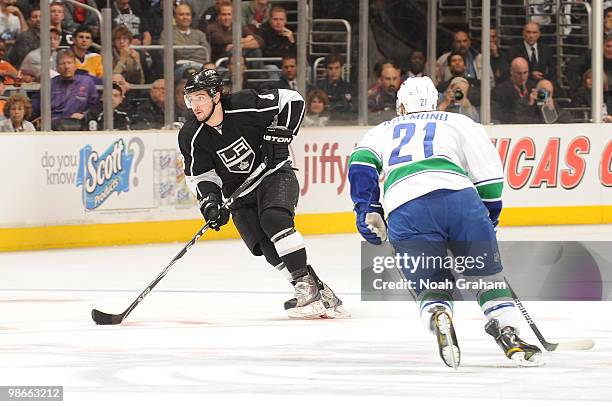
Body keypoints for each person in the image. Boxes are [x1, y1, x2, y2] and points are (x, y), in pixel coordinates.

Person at [348, 75, 543, 368]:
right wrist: (489, 216)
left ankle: (438, 311)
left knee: (430, 280)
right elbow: (489, 174)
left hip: (405, 205)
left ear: (401, 106)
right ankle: (508, 330)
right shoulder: (459, 122)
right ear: (436, 102)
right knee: (486, 276)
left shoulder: (382, 129)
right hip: (460, 200)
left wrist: (367, 207)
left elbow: (360, 163)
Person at [178, 68, 349, 319]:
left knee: (274, 219)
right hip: (238, 192)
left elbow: (293, 100)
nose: (195, 105)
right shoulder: (191, 134)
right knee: (264, 246)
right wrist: (210, 201)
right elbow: (200, 175)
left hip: (274, 174)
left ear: (216, 96)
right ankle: (318, 292)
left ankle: (307, 289)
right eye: (190, 99)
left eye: (200, 97)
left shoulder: (245, 104)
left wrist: (281, 135)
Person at [30, 49, 99, 130]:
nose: (66, 67)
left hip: (78, 125)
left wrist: (84, 114)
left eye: (69, 63)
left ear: (75, 65)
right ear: (57, 67)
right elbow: (35, 108)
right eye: (62, 63)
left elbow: (96, 106)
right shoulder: (49, 84)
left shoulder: (87, 82)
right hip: (52, 126)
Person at [491, 57, 537, 124]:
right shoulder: (499, 91)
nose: (522, 77)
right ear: (511, 72)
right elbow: (504, 118)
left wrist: (548, 107)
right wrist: (528, 105)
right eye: (519, 73)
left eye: (525, 73)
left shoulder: (533, 87)